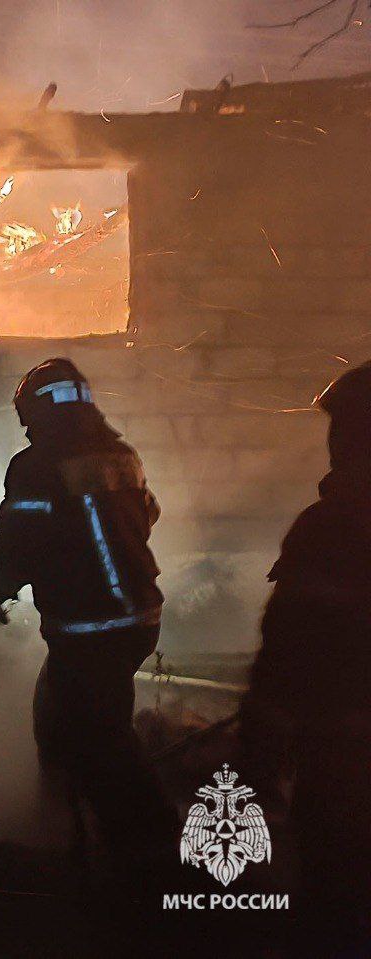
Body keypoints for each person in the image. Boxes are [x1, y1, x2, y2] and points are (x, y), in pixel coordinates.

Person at [0, 358, 175, 863]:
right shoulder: (123, 457)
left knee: (95, 742)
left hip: (89, 629)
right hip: (140, 620)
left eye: (27, 418)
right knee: (74, 722)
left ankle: (142, 854)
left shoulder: (36, 466)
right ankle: (79, 838)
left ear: (39, 411)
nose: (26, 429)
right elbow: (147, 515)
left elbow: (17, 539)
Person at [240, 360, 371, 950]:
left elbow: (289, 648)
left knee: (336, 902)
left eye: (343, 431)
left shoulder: (331, 528)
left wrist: (258, 755)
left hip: (343, 757)